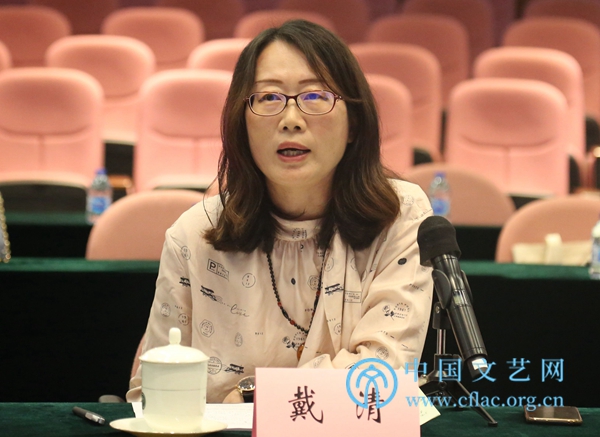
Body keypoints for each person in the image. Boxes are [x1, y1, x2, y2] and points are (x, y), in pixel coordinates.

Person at [128, 19, 434, 404]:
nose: (291, 120)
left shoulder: (401, 216)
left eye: (315, 96)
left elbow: (382, 373)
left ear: (354, 123)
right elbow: (151, 393)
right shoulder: (193, 235)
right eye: (269, 98)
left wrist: (254, 397)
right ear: (242, 121)